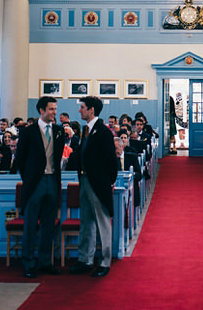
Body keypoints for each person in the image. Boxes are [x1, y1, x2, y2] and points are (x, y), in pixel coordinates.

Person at [17, 96, 67, 278]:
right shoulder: (28, 132)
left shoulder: (59, 131)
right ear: (41, 110)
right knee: (30, 225)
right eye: (51, 109)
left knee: (49, 225)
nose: (55, 113)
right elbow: (20, 160)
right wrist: (29, 179)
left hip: (52, 181)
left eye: (55, 109)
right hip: (35, 184)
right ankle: (28, 262)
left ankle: (46, 262)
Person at [71, 96, 120, 278]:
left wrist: (108, 183)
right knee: (86, 223)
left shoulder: (103, 132)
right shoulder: (86, 130)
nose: (80, 110)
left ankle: (105, 262)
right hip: (84, 181)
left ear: (91, 110)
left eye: (82, 107)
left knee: (102, 223)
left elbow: (111, 161)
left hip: (98, 184)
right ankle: (86, 259)